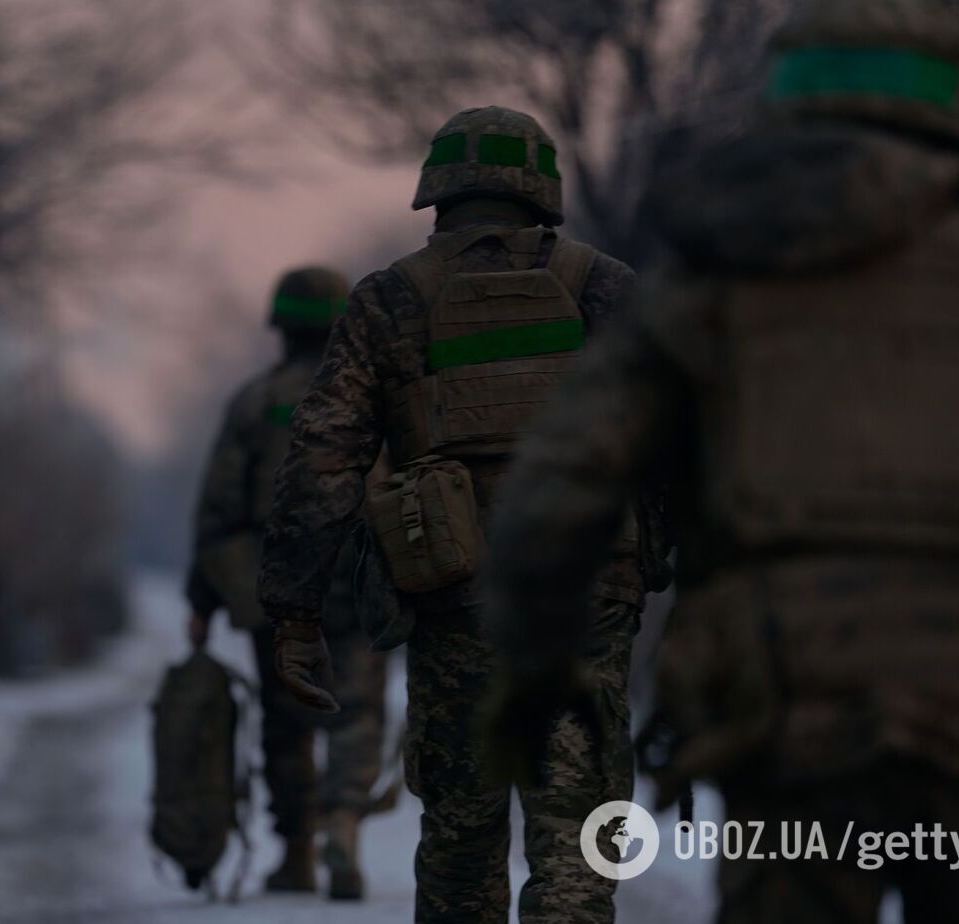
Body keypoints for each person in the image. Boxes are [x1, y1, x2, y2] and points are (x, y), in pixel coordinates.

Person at [481, 1, 959, 921]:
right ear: (957, 100)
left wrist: (538, 672)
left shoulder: (704, 287)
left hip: (781, 708)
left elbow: (560, 485)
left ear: (789, 100)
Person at [257, 106, 652, 923]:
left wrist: (295, 610)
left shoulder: (390, 300)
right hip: (587, 589)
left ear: (437, 190)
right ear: (541, 188)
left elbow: (323, 458)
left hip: (458, 589)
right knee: (576, 835)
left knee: (461, 837)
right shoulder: (608, 288)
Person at [187, 266, 389, 899]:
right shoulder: (377, 397)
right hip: (359, 575)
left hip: (272, 587)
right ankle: (344, 822)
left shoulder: (254, 402)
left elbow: (219, 507)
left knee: (287, 722)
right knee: (356, 711)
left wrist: (203, 599)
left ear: (280, 327)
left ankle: (298, 850)